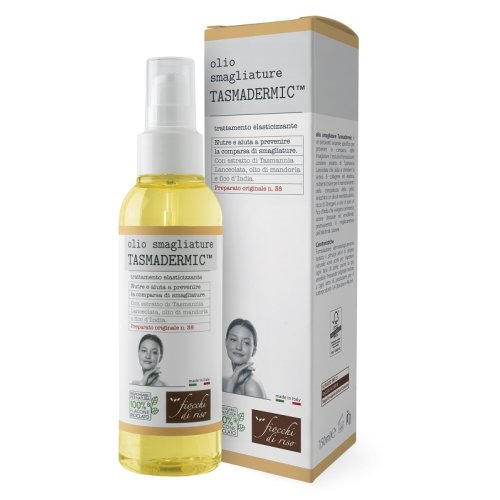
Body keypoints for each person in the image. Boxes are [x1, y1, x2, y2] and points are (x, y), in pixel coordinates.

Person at [223, 318, 266, 398]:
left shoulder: (252, 386)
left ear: (254, 350)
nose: (238, 347)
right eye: (233, 339)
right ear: (226, 342)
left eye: (246, 343)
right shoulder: (225, 381)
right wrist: (231, 383)